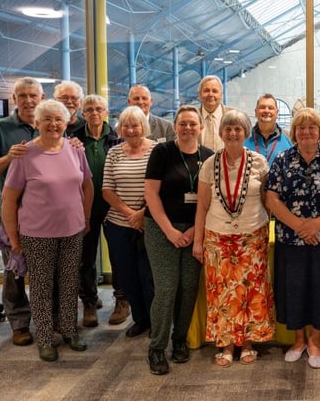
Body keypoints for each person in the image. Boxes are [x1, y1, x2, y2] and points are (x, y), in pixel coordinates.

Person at [1, 99, 94, 361]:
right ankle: (44, 337)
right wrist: (13, 238)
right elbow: (9, 199)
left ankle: (69, 331)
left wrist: (85, 217)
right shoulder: (25, 154)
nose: (53, 124)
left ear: (66, 123)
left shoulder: (75, 150)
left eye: (59, 119)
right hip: (37, 234)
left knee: (69, 283)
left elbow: (87, 186)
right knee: (41, 287)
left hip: (72, 230)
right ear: (38, 123)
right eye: (48, 119)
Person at [265, 108, 320, 369]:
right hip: (291, 239)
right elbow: (272, 198)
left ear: (319, 131)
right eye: (301, 127)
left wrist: (317, 225)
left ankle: (315, 341)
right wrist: (301, 226)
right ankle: (298, 340)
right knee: (294, 291)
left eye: (312, 127)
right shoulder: (281, 160)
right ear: (295, 132)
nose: (306, 132)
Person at [194, 110, 273, 368]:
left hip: (252, 236)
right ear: (221, 133)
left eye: (238, 129)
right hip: (218, 237)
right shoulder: (209, 164)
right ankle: (226, 344)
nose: (232, 133)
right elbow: (202, 206)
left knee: (251, 292)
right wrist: (197, 241)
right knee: (222, 293)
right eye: (228, 129)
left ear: (246, 132)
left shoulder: (259, 162)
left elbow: (268, 200)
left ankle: (248, 343)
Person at [142, 105, 211, 375]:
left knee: (189, 286)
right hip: (161, 228)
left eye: (193, 124)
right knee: (167, 288)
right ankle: (156, 347)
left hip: (195, 229)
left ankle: (179, 339)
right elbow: (151, 195)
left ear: (201, 128)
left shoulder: (208, 157)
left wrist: (195, 230)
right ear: (175, 126)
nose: (187, 128)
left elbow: (208, 201)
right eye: (182, 123)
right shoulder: (162, 152)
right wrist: (170, 230)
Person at [0, 76, 44, 346]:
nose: (28, 100)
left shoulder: (50, 124)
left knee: (44, 269)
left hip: (46, 213)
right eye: (23, 95)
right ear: (14, 99)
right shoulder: (0, 129)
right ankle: (19, 323)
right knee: (15, 269)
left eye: (33, 96)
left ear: (42, 98)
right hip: (13, 213)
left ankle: (47, 319)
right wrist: (9, 157)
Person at [102, 106, 157, 340]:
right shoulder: (114, 153)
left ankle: (157, 321)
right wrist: (129, 214)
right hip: (118, 225)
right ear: (120, 128)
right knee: (127, 276)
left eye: (135, 125)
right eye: (126, 125)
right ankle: (140, 319)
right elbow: (106, 189)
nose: (131, 129)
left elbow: (162, 188)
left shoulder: (157, 150)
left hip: (150, 223)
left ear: (144, 126)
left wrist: (143, 213)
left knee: (149, 275)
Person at [72, 95, 121, 328]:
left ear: (106, 112)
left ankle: (122, 299)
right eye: (89, 109)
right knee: (86, 258)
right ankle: (89, 302)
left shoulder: (117, 138)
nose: (94, 113)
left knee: (118, 256)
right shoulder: (73, 140)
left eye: (98, 109)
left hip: (114, 207)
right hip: (85, 208)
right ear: (83, 113)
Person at [244, 93, 292, 164]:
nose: (266, 111)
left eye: (271, 108)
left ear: (277, 113)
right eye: (262, 107)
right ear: (255, 112)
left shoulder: (290, 138)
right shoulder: (245, 137)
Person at [197, 75, 234, 151]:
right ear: (200, 94)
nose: (210, 94)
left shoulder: (234, 116)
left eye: (215, 91)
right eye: (206, 90)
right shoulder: (192, 117)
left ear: (221, 95)